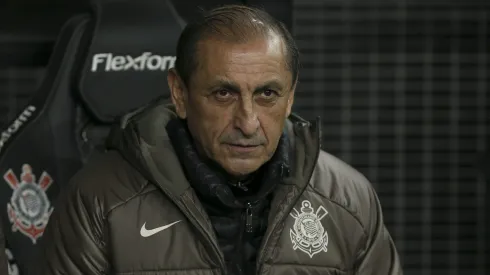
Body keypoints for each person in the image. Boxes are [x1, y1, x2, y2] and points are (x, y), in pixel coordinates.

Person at [39, 4, 402, 275]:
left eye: (267, 95)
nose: (247, 122)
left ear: (290, 97)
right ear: (179, 94)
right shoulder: (100, 201)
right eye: (224, 94)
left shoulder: (349, 202)